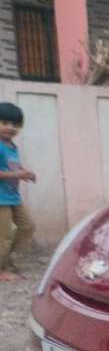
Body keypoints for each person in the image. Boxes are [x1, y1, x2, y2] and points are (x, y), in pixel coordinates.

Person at [0, 102, 36, 282]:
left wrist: (25, 172)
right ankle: (1, 270)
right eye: (5, 122)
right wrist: (17, 174)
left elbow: (13, 165)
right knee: (3, 236)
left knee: (27, 226)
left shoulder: (12, 147)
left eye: (15, 124)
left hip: (13, 196)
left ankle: (7, 261)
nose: (10, 128)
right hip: (1, 199)